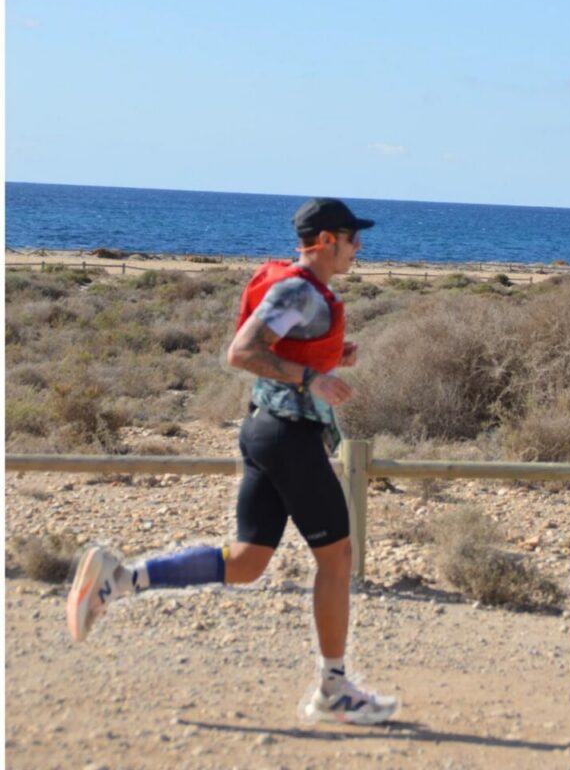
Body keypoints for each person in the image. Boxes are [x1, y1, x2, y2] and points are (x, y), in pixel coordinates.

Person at [66, 198, 398, 725]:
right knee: (337, 558)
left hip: (269, 432)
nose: (359, 247)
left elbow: (282, 350)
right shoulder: (297, 291)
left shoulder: (308, 294)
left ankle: (120, 579)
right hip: (287, 438)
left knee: (246, 563)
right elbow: (242, 352)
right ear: (326, 241)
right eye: (353, 238)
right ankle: (333, 689)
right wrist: (314, 379)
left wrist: (332, 357)